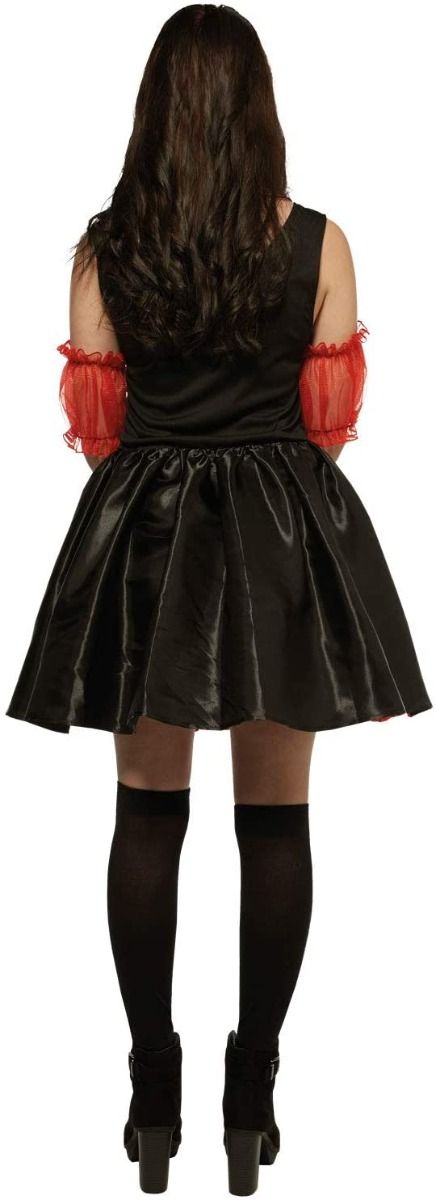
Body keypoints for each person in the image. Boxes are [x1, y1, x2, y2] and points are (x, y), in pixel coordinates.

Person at [5, 4, 432, 1195]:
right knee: (276, 824)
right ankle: (252, 1099)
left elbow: (98, 427)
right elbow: (326, 426)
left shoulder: (104, 250)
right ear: (258, 109)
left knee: (148, 818)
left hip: (148, 544)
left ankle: (154, 1096)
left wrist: (171, 476)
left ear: (155, 111)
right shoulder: (320, 243)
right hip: (282, 538)